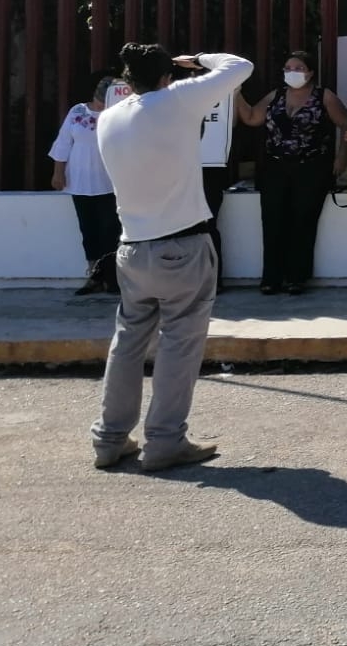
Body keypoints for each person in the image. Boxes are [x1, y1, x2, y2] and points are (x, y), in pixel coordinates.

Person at [90, 42, 253, 472]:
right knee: (180, 346)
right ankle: (164, 441)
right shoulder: (178, 99)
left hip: (132, 247)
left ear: (127, 81)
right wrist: (196, 61)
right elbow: (240, 65)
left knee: (127, 344)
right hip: (183, 245)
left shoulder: (108, 117)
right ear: (167, 77)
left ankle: (109, 438)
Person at [236, 51, 347, 295]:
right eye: (288, 67)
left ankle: (296, 278)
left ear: (310, 72)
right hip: (275, 167)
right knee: (272, 220)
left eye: (298, 68)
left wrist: (342, 156)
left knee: (303, 220)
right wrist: (235, 92)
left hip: (312, 166)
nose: (292, 72)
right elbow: (251, 117)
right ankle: (271, 278)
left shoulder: (324, 96)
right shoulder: (275, 96)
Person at [50, 70, 123, 297]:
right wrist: (58, 173)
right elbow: (63, 143)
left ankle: (113, 278)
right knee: (88, 230)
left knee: (110, 230)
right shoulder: (77, 111)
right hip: (80, 182)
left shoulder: (119, 114)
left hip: (108, 182)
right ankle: (94, 277)